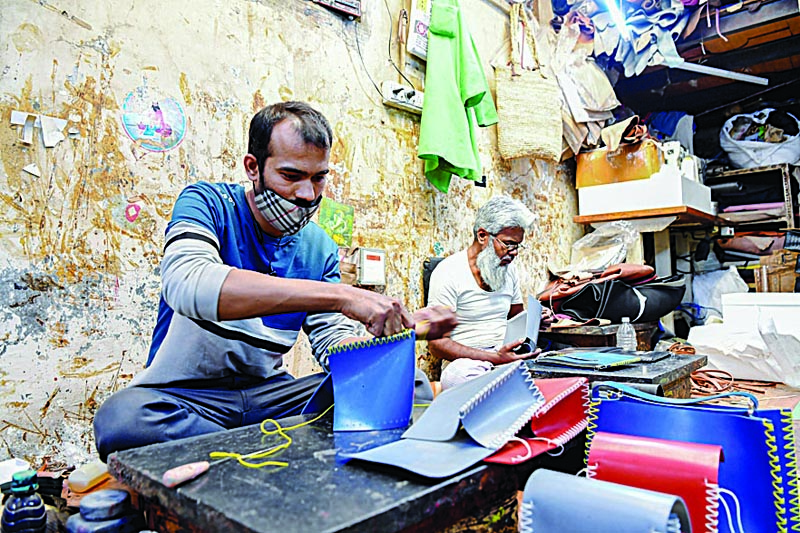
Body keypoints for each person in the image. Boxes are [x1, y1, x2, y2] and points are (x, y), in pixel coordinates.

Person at [93, 101, 456, 461]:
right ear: (253, 167)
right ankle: (273, 454)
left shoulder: (320, 249)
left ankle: (240, 455)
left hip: (269, 397)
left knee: (409, 388)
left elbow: (334, 346)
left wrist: (401, 332)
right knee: (122, 420)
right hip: (188, 399)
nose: (308, 195)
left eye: (319, 178)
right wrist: (341, 295)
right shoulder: (207, 203)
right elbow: (188, 283)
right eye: (291, 176)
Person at [427, 195, 547, 389]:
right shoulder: (448, 272)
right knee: (459, 377)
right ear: (483, 235)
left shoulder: (509, 271)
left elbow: (516, 318)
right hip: (468, 362)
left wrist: (537, 319)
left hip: (506, 356)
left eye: (518, 245)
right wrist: (494, 358)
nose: (514, 252)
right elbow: (436, 344)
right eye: (508, 243)